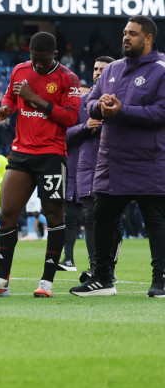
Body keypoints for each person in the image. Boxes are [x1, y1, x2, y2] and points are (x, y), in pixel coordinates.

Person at [0, 32, 80, 299]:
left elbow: (70, 117)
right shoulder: (20, 70)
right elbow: (10, 97)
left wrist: (35, 98)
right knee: (6, 215)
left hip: (52, 154)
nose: (38, 65)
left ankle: (46, 282)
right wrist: (4, 109)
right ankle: (1, 281)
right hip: (21, 153)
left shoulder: (68, 78)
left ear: (55, 55)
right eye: (34, 59)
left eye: (43, 60)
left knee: (53, 215)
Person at [72, 16, 165, 299]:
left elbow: (161, 112)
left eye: (133, 33)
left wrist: (121, 111)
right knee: (102, 217)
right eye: (125, 32)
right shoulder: (111, 69)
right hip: (111, 160)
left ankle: (161, 279)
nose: (126, 37)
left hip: (149, 160)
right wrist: (98, 107)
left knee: (156, 220)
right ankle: (103, 278)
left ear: (148, 38)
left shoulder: (161, 69)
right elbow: (89, 102)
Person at [61, 56, 113, 276]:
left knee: (111, 222)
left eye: (103, 69)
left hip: (113, 169)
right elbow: (64, 134)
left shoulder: (122, 99)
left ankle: (106, 269)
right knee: (87, 218)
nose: (98, 72)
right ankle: (92, 267)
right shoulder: (81, 102)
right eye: (95, 68)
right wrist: (85, 127)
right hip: (84, 169)